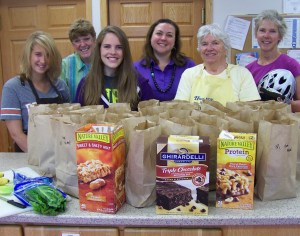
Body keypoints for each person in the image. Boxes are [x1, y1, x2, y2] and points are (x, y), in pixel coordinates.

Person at [0, 31, 70, 152]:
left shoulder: (61, 86)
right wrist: (42, 159)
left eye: (48, 55)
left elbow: (69, 125)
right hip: (28, 156)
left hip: (60, 153)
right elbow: (16, 134)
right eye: (38, 54)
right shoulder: (13, 88)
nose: (43, 61)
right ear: (29, 55)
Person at [175, 24, 260, 106]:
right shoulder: (189, 74)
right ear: (199, 49)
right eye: (204, 44)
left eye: (215, 43)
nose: (209, 48)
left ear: (226, 49)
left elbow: (251, 112)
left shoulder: (242, 74)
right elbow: (181, 109)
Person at [75, 25, 153, 110]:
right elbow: (78, 119)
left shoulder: (140, 84)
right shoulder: (85, 85)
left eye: (119, 47)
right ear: (99, 49)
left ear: (125, 52)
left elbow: (152, 117)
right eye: (107, 46)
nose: (113, 52)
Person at [246, 9, 300, 112]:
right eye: (262, 30)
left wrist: (284, 103)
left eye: (272, 31)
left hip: (282, 125)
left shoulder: (291, 65)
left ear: (280, 36)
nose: (266, 35)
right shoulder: (248, 70)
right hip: (256, 125)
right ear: (256, 34)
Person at [134, 18, 196, 101]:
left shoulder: (189, 66)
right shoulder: (136, 68)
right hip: (145, 114)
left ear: (175, 41)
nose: (163, 38)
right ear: (150, 37)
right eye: (159, 33)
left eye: (169, 35)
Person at [61, 18, 96, 102]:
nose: (83, 44)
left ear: (94, 38)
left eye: (86, 39)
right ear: (72, 44)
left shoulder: (105, 61)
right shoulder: (65, 65)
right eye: (77, 41)